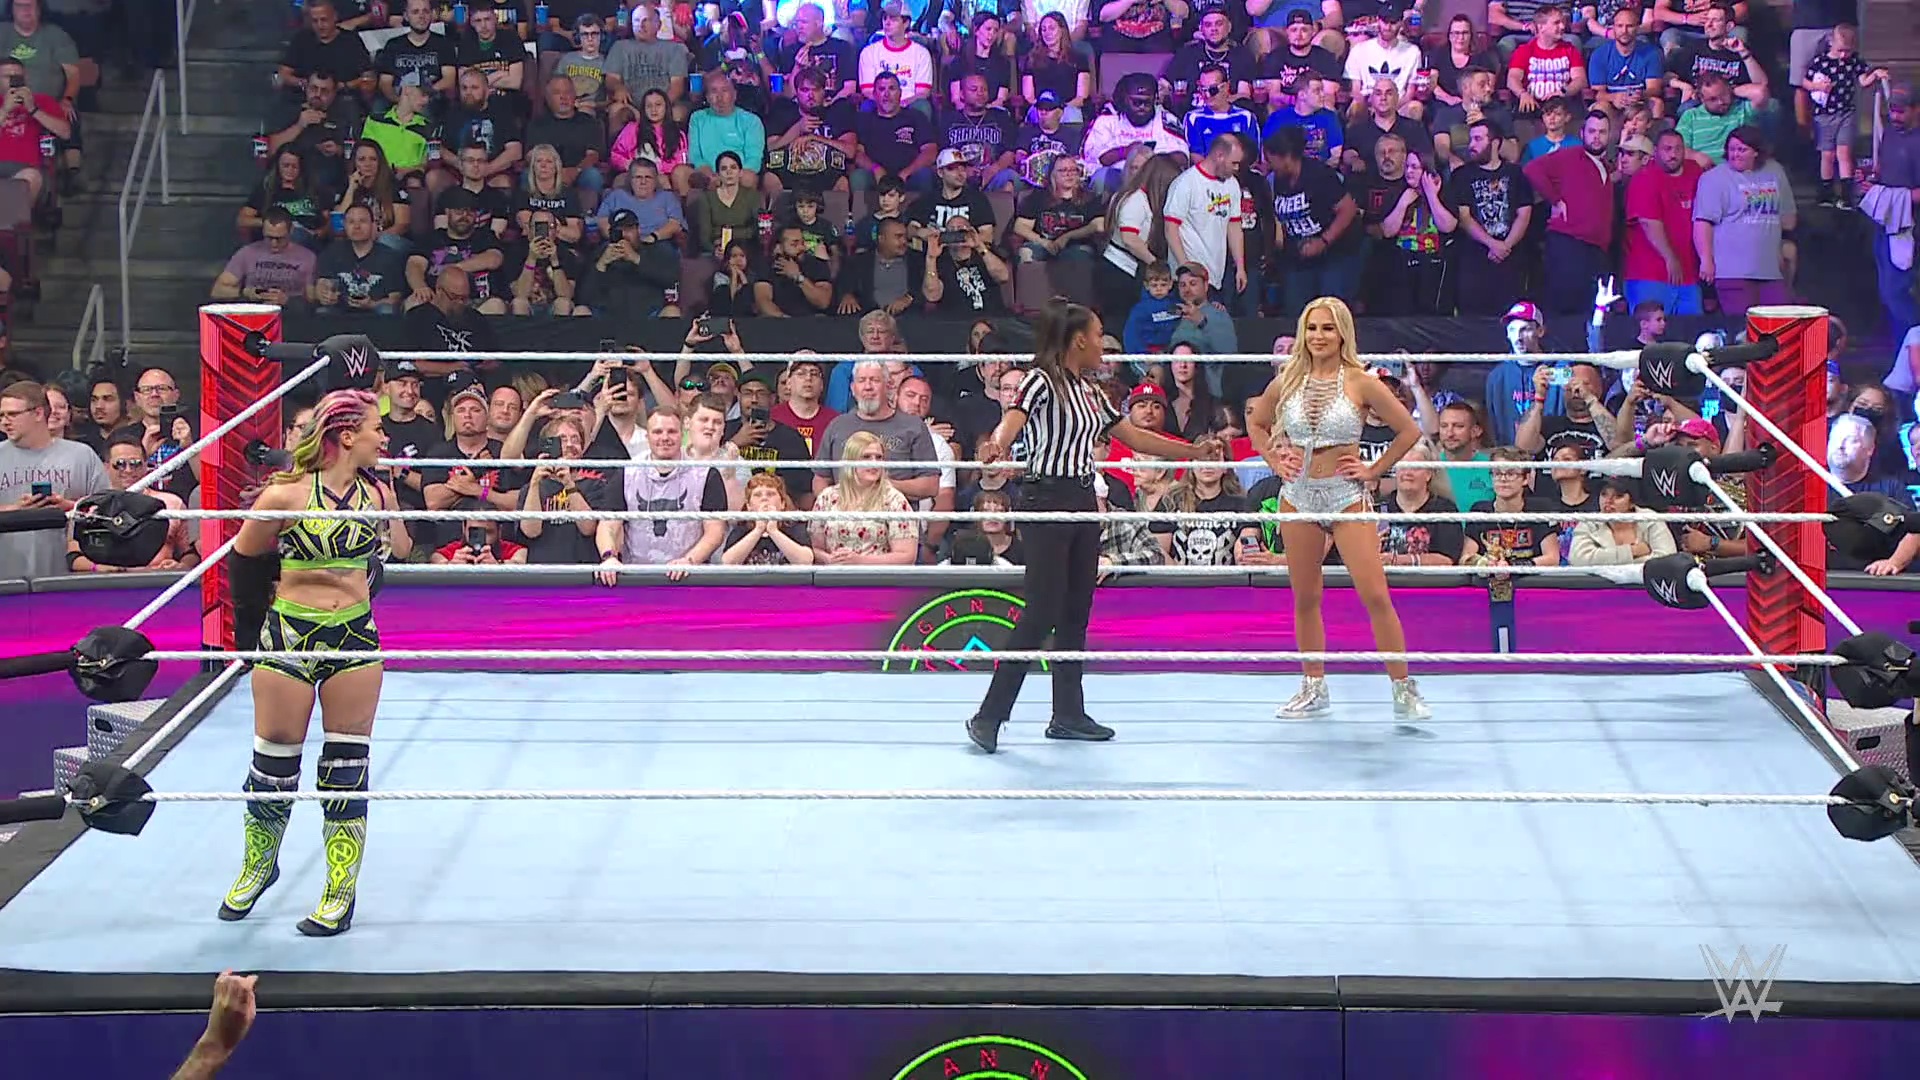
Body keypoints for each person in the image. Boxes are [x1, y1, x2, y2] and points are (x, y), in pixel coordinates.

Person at [222, 389, 412, 937]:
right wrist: (250, 638)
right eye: (376, 428)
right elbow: (244, 559)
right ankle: (259, 865)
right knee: (273, 760)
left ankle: (339, 889)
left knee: (347, 765)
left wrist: (390, 504)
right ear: (347, 436)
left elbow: (400, 550)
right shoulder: (285, 494)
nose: (384, 437)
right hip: (289, 632)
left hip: (353, 633)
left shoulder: (376, 492)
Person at [965, 299, 1193, 754]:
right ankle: (989, 715)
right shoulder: (1039, 380)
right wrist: (996, 446)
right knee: (1040, 612)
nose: (1103, 343)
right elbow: (1013, 420)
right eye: (1097, 333)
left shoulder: (1090, 391)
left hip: (1083, 499)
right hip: (1046, 499)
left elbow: (1133, 436)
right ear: (1078, 340)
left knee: (1075, 611)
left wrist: (1190, 451)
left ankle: (1067, 714)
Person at [1245, 296, 1429, 724]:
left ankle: (1404, 689)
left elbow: (1408, 430)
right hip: (1298, 495)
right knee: (1306, 597)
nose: (1318, 336)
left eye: (1328, 328)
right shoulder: (1288, 379)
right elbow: (1256, 420)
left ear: (1343, 332)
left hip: (1346, 495)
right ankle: (1313, 687)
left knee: (1375, 595)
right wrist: (1273, 458)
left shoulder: (1361, 381)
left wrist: (1374, 470)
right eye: (1312, 328)